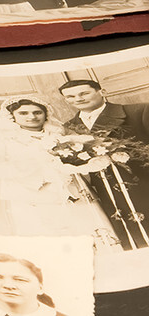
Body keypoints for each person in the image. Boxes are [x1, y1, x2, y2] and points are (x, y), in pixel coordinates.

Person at [0, 96, 108, 237]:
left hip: (70, 189)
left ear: (46, 114)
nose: (32, 117)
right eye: (23, 113)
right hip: (30, 192)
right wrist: (34, 172)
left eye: (37, 112)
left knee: (86, 228)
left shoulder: (59, 132)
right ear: (12, 115)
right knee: (47, 233)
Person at [59, 79, 149, 249]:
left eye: (84, 93)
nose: (78, 99)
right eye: (71, 96)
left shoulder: (138, 111)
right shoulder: (68, 128)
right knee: (128, 237)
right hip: (105, 190)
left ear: (102, 92)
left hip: (143, 182)